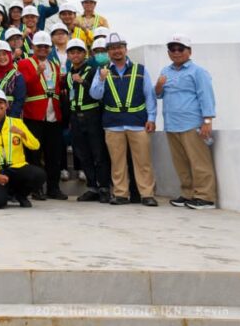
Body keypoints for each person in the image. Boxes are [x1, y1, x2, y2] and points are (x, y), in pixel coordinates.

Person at [89, 32, 158, 206]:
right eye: (112, 49)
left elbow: (149, 95)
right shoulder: (103, 71)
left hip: (137, 122)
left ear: (126, 49)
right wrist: (101, 80)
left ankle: (147, 194)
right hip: (113, 124)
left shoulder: (140, 70)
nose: (116, 51)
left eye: (119, 47)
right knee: (117, 162)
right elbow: (95, 95)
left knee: (143, 161)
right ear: (107, 52)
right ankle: (121, 193)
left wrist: (151, 117)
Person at [155, 34, 217, 209]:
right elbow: (158, 94)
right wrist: (158, 85)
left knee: (199, 162)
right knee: (181, 163)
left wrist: (207, 120)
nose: (176, 52)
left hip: (192, 123)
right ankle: (188, 193)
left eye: (180, 49)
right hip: (172, 124)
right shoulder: (165, 71)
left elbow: (206, 96)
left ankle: (206, 197)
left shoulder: (198, 72)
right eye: (172, 49)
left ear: (189, 51)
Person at [18, 31, 67, 200]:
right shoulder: (25, 63)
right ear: (33, 47)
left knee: (54, 154)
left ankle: (53, 188)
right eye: (40, 46)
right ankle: (36, 188)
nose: (43, 50)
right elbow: (23, 86)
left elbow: (57, 89)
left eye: (46, 47)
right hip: (34, 115)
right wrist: (37, 73)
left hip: (53, 114)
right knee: (34, 154)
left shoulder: (54, 65)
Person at [0, 89, 45, 208]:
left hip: (16, 168)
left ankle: (21, 195)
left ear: (6, 105)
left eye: (1, 102)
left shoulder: (17, 123)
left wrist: (22, 133)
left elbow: (35, 145)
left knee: (39, 175)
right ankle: (4, 192)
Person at [63, 39, 110, 203]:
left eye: (78, 52)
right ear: (68, 55)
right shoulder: (69, 74)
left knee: (98, 152)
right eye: (72, 52)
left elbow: (98, 91)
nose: (75, 55)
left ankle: (104, 187)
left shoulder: (93, 69)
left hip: (92, 114)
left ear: (85, 54)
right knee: (83, 154)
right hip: (76, 116)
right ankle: (92, 187)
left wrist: (82, 81)